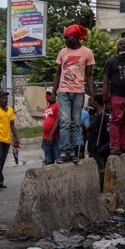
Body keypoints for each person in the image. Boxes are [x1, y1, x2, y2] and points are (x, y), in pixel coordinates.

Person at [53, 24, 94, 164]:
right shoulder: (62, 52)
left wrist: (92, 95)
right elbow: (58, 73)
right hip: (63, 91)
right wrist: (53, 92)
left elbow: (89, 76)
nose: (65, 41)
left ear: (76, 38)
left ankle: (73, 151)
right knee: (65, 122)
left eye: (67, 38)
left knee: (75, 123)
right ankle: (64, 152)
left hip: (78, 92)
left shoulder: (87, 52)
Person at [87, 95, 110, 163]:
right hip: (104, 142)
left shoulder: (100, 115)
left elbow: (89, 127)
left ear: (96, 103)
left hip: (97, 145)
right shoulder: (106, 114)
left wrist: (87, 126)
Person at [40, 90, 60, 166]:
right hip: (46, 139)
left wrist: (51, 135)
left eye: (52, 94)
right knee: (48, 161)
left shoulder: (57, 105)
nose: (51, 96)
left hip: (56, 137)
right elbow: (45, 125)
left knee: (58, 159)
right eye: (48, 95)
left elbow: (58, 121)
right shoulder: (45, 109)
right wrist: (43, 139)